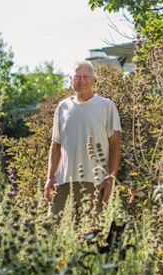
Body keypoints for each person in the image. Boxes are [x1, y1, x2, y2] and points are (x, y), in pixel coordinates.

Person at [44, 59, 121, 220]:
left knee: (91, 235)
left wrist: (110, 178)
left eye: (86, 77)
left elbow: (115, 146)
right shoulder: (62, 107)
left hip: (95, 182)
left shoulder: (106, 106)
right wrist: (50, 177)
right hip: (63, 182)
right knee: (53, 230)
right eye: (77, 77)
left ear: (94, 80)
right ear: (70, 80)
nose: (81, 81)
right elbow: (56, 145)